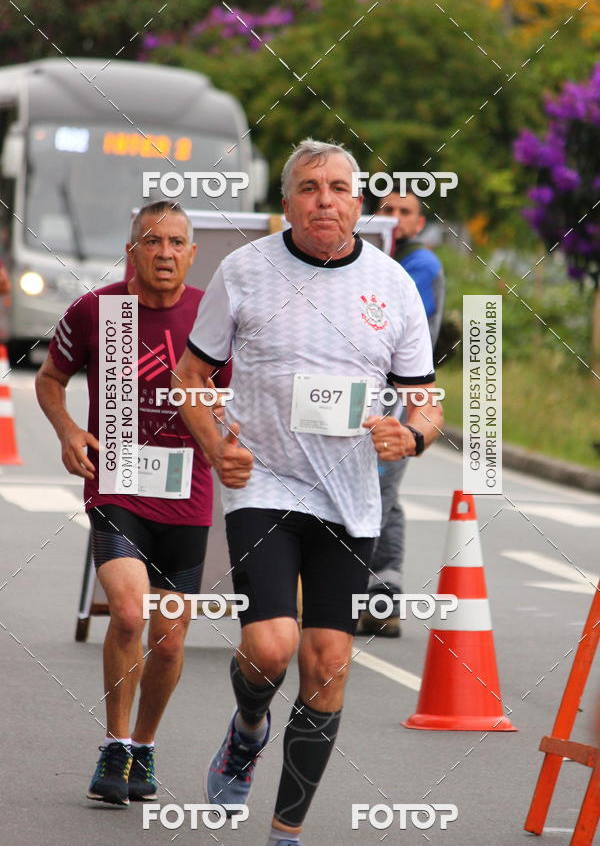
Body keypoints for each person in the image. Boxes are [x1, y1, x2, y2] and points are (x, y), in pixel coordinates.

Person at [175, 140, 443, 845]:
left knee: (326, 665)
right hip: (263, 479)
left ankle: (284, 833)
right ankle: (248, 728)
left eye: (338, 187)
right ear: (287, 203)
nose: (325, 199)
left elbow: (427, 401)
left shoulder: (393, 285)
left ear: (358, 202)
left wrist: (411, 436)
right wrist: (214, 445)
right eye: (309, 187)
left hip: (351, 497)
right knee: (270, 647)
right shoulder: (244, 270)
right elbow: (189, 376)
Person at [36, 201, 229, 806]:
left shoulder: (212, 316)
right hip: (118, 483)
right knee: (126, 613)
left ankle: (143, 749)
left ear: (192, 254)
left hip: (187, 495)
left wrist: (234, 438)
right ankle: (114, 745)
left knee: (169, 640)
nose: (165, 253)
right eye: (153, 241)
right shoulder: (98, 309)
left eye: (176, 242)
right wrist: (69, 431)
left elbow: (240, 395)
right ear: (132, 251)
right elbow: (49, 379)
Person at [356, 188, 445, 637]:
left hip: (399, 397)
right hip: (365, 395)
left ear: (417, 222)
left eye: (404, 212)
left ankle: (375, 596)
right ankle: (380, 595)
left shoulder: (419, 264)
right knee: (379, 494)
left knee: (379, 491)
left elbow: (388, 317)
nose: (394, 217)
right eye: (386, 210)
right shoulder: (369, 259)